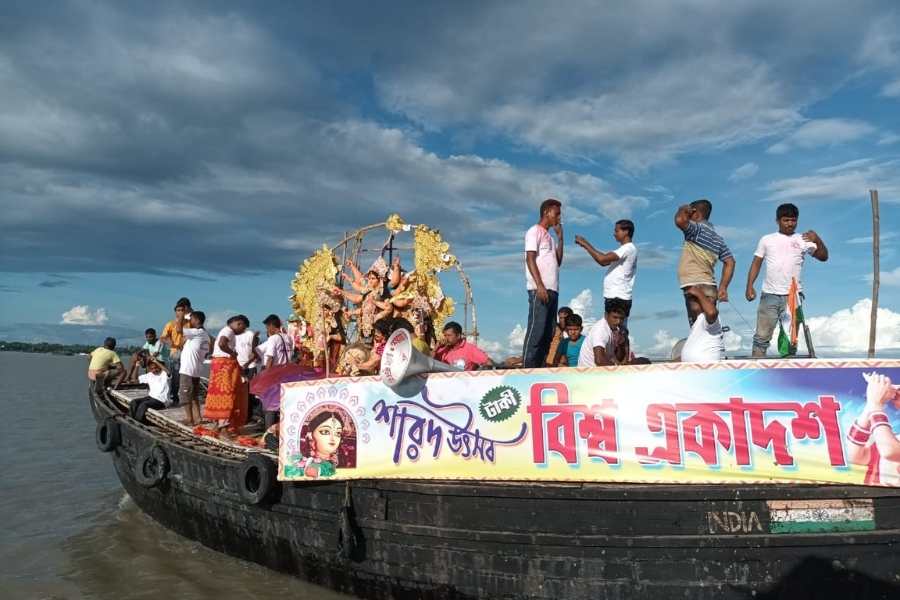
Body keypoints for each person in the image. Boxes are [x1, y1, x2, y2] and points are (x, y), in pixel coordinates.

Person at [745, 203, 829, 358]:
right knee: (762, 336)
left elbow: (824, 257)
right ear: (777, 221)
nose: (790, 223)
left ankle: (788, 365)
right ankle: (756, 364)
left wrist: (817, 239)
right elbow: (756, 263)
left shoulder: (803, 239)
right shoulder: (767, 239)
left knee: (790, 338)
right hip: (769, 294)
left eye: (793, 220)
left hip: (793, 296)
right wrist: (749, 286)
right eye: (786, 220)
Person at [674, 200, 735, 325]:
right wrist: (723, 287)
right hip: (710, 286)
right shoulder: (718, 239)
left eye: (690, 214)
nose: (688, 217)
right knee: (707, 325)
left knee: (697, 326)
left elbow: (680, 221)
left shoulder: (696, 229)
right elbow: (730, 261)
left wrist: (682, 209)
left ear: (695, 213)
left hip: (694, 284)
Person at [522, 198, 564, 368]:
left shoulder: (551, 238)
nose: (559, 218)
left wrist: (560, 238)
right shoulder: (534, 231)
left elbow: (558, 261)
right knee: (536, 331)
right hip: (539, 289)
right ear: (547, 212)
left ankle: (540, 368)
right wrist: (539, 285)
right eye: (557, 213)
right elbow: (530, 258)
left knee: (548, 333)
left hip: (553, 290)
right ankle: (527, 369)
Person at [575, 219, 638, 328]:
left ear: (626, 231)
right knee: (614, 331)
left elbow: (602, 259)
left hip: (618, 297)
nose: (614, 234)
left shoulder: (627, 248)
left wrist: (585, 244)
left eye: (617, 231)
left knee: (616, 331)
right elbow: (603, 262)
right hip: (616, 296)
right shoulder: (626, 249)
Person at [847, 372, 900, 486]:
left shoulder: (889, 443)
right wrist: (870, 404)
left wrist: (876, 404)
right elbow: (854, 456)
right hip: (877, 496)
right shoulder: (890, 438)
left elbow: (889, 451)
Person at [204, 315, 250, 433]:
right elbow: (222, 344)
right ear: (238, 323)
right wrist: (232, 353)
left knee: (217, 393)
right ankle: (223, 427)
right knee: (227, 394)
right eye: (243, 328)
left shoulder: (225, 331)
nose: (242, 332)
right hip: (225, 366)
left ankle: (217, 425)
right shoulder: (228, 331)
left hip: (218, 365)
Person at [283, 410, 347, 479]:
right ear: (311, 434)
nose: (333, 438)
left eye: (338, 433)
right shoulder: (298, 457)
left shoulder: (339, 462)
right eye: (325, 432)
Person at [175, 310, 208, 426]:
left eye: (192, 319)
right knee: (193, 395)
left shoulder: (196, 332)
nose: (190, 321)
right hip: (196, 370)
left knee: (185, 395)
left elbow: (178, 330)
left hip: (188, 369)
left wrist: (180, 317)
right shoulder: (204, 334)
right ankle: (198, 418)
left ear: (197, 320)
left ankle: (189, 419)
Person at [159, 297, 192, 405]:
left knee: (187, 374)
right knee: (176, 375)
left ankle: (187, 396)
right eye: (178, 310)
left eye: (182, 310)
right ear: (175, 312)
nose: (180, 312)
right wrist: (170, 342)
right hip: (176, 352)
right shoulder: (170, 324)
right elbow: (163, 337)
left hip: (188, 352)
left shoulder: (189, 323)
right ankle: (174, 396)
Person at [680, 286, 725, 363]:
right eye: (690, 298)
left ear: (709, 300)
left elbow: (712, 312)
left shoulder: (708, 319)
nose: (691, 301)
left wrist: (698, 292)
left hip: (707, 368)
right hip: (696, 368)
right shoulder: (699, 320)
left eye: (694, 297)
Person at [578, 300, 628, 367]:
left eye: (621, 318)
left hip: (600, 370)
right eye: (615, 317)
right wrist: (618, 368)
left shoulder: (614, 329)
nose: (618, 322)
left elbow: (618, 358)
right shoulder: (600, 330)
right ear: (606, 315)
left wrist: (621, 344)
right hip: (590, 371)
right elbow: (599, 361)